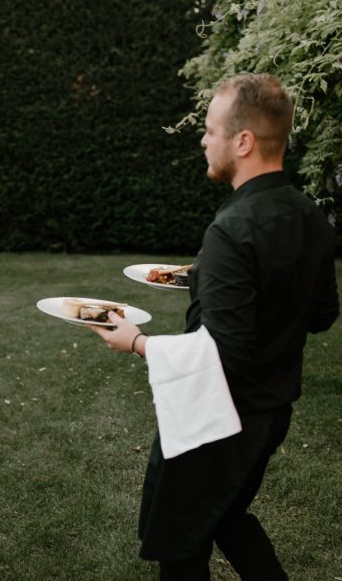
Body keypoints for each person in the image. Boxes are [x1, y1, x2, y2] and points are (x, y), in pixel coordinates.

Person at [88, 73, 340, 580]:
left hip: (219, 421)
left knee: (180, 544)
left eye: (209, 129)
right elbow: (320, 314)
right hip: (272, 414)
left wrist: (135, 341)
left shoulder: (232, 228)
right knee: (225, 517)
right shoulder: (311, 216)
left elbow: (223, 352)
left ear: (242, 141)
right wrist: (216, 284)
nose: (203, 139)